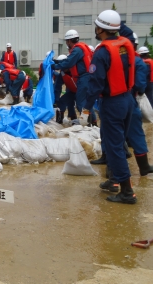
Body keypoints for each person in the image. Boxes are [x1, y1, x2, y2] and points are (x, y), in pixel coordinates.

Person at [83, 10, 136, 204]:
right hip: (127, 98)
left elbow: (95, 83)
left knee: (114, 147)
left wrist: (86, 108)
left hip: (112, 102)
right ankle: (114, 181)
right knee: (117, 141)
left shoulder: (103, 52)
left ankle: (127, 192)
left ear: (101, 28)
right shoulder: (126, 44)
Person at [52, 30, 97, 126]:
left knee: (81, 103)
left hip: (84, 78)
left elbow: (68, 62)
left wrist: (55, 67)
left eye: (66, 41)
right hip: (83, 79)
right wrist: (55, 62)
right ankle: (92, 121)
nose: (66, 44)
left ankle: (89, 124)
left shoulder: (77, 50)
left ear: (69, 41)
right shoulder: (80, 48)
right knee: (68, 100)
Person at [53, 54, 78, 123]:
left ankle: (92, 122)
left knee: (81, 105)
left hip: (81, 91)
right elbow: (57, 87)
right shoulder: (62, 74)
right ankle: (61, 119)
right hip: (72, 91)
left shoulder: (76, 70)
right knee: (62, 101)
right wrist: (56, 100)